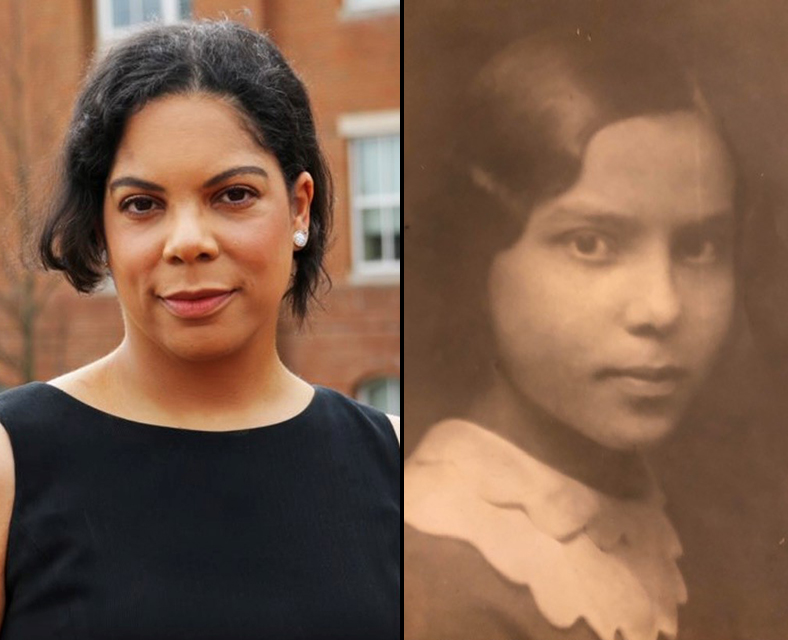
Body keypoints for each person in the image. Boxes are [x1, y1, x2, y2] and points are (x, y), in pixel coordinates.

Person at [0, 20, 400, 639]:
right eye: (142, 205)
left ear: (299, 206)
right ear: (101, 228)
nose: (188, 242)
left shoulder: (399, 465)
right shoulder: (10, 466)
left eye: (233, 195)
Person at [404, 28, 745, 640]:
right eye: (592, 243)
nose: (662, 308)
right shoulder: (427, 574)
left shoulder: (674, 533)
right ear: (481, 259)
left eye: (698, 248)